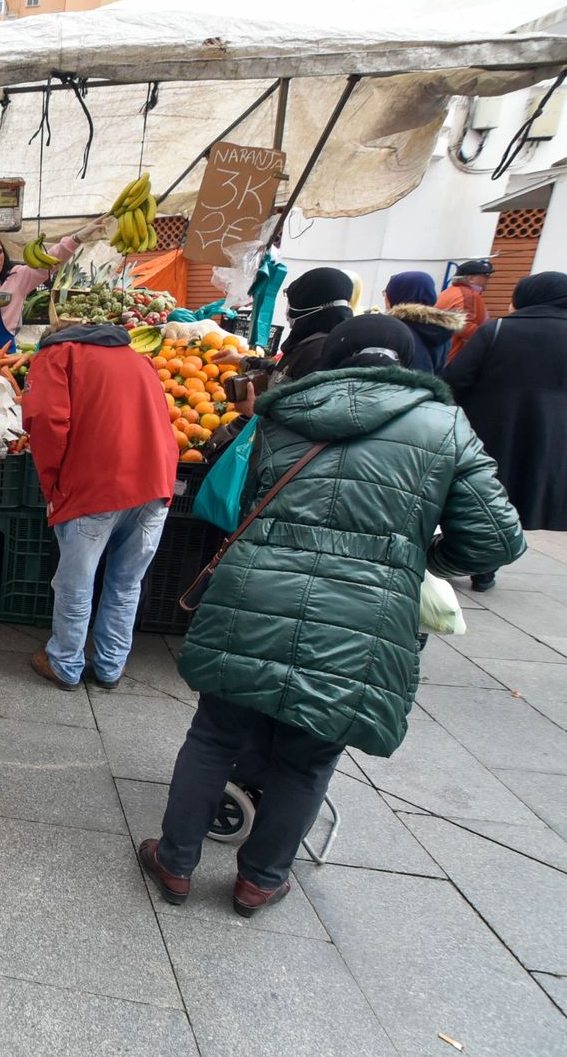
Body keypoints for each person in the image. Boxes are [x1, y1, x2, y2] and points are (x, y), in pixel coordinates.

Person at [138, 314, 525, 918]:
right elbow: (495, 540)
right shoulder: (445, 424)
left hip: (257, 591)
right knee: (309, 755)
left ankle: (175, 862)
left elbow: (250, 500)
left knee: (215, 735)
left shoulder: (281, 412)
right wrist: (421, 556)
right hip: (365, 612)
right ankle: (260, 880)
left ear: (331, 359)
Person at [23, 323, 177, 690]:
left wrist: (52, 485)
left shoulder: (55, 355)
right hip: (154, 482)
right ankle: (110, 666)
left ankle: (65, 662)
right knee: (126, 582)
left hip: (95, 484)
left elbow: (45, 421)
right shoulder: (138, 359)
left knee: (76, 583)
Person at [444, 271, 567, 592]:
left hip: (491, 429)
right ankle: (488, 565)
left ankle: (461, 556)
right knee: (519, 496)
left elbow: (456, 379)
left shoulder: (498, 330)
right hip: (552, 437)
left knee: (478, 493)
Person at [0, 225, 102, 349]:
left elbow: (51, 259)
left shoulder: (17, 276)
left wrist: (77, 238)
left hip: (3, 356)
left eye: (0, 252)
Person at [385, 270, 464, 373]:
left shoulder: (398, 330)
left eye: (386, 293)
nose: (385, 299)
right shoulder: (440, 328)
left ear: (398, 295)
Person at [438, 258, 493, 362]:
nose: (488, 279)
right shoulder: (467, 295)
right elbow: (465, 326)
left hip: (443, 354)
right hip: (456, 357)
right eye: (485, 275)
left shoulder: (447, 292)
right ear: (471, 278)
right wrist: (490, 336)